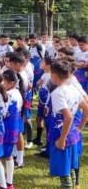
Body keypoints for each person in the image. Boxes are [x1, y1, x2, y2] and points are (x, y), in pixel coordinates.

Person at [48, 60, 88, 189]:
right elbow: (86, 108)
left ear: (54, 75)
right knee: (69, 167)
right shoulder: (73, 89)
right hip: (73, 134)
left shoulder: (57, 93)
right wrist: (80, 127)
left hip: (61, 135)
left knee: (63, 173)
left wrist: (61, 139)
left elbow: (68, 116)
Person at [0, 70, 24, 189]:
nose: (1, 83)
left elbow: (3, 113)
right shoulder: (17, 93)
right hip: (13, 128)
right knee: (8, 156)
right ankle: (9, 183)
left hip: (5, 128)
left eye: (3, 80)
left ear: (12, 82)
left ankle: (3, 185)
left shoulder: (10, 95)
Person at [33, 57, 52, 147]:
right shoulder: (45, 74)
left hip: (46, 101)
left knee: (47, 121)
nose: (40, 64)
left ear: (48, 65)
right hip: (42, 99)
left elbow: (49, 88)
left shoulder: (51, 75)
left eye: (42, 63)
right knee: (39, 118)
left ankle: (48, 143)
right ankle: (38, 138)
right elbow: (38, 83)